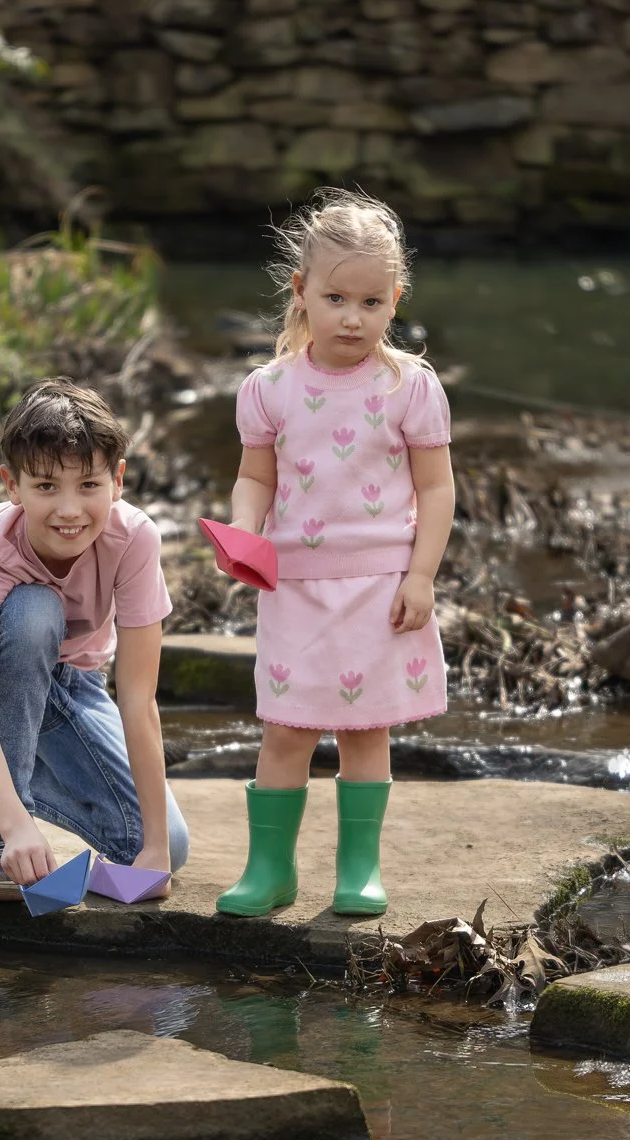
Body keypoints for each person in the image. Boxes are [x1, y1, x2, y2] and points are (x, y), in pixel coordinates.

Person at [213, 189, 454, 920]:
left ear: (395, 299)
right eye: (336, 299)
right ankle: (270, 871)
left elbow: (436, 487)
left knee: (364, 730)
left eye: (372, 302)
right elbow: (256, 477)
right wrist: (245, 530)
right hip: (295, 585)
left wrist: (421, 575)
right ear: (301, 291)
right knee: (285, 730)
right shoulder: (269, 388)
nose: (353, 318)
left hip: (379, 585)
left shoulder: (409, 387)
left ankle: (359, 870)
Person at [0, 379, 188, 900]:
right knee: (34, 610)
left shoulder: (134, 538)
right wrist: (16, 829)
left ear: (118, 480)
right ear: (12, 485)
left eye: (88, 485)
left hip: (75, 683)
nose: (69, 510)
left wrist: (154, 848)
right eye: (46, 486)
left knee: (165, 847)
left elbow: (138, 700)